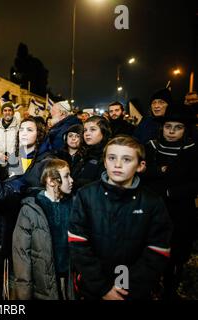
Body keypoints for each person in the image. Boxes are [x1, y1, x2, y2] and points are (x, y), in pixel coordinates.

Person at [69, 136, 172, 300]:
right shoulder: (86, 195)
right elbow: (79, 244)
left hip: (133, 289)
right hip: (93, 288)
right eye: (112, 158)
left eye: (127, 159)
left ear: (140, 166)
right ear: (104, 162)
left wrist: (122, 287)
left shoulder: (152, 201)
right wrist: (103, 288)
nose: (117, 165)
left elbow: (157, 249)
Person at [142, 104, 198, 299]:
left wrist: (169, 191)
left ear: (186, 129)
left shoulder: (192, 151)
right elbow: (142, 172)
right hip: (152, 209)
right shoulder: (151, 147)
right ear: (162, 127)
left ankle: (170, 288)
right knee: (151, 250)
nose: (172, 131)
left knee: (175, 255)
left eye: (178, 127)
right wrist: (158, 173)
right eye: (168, 126)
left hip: (180, 211)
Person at [13, 159, 74, 300]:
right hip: (43, 286)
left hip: (70, 282)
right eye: (66, 176)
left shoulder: (74, 205)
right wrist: (24, 295)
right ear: (51, 181)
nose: (71, 180)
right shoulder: (30, 210)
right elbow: (22, 255)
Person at [73, 116, 111, 190]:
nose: (87, 134)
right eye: (85, 130)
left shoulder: (108, 155)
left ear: (104, 132)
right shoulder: (83, 152)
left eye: (93, 129)